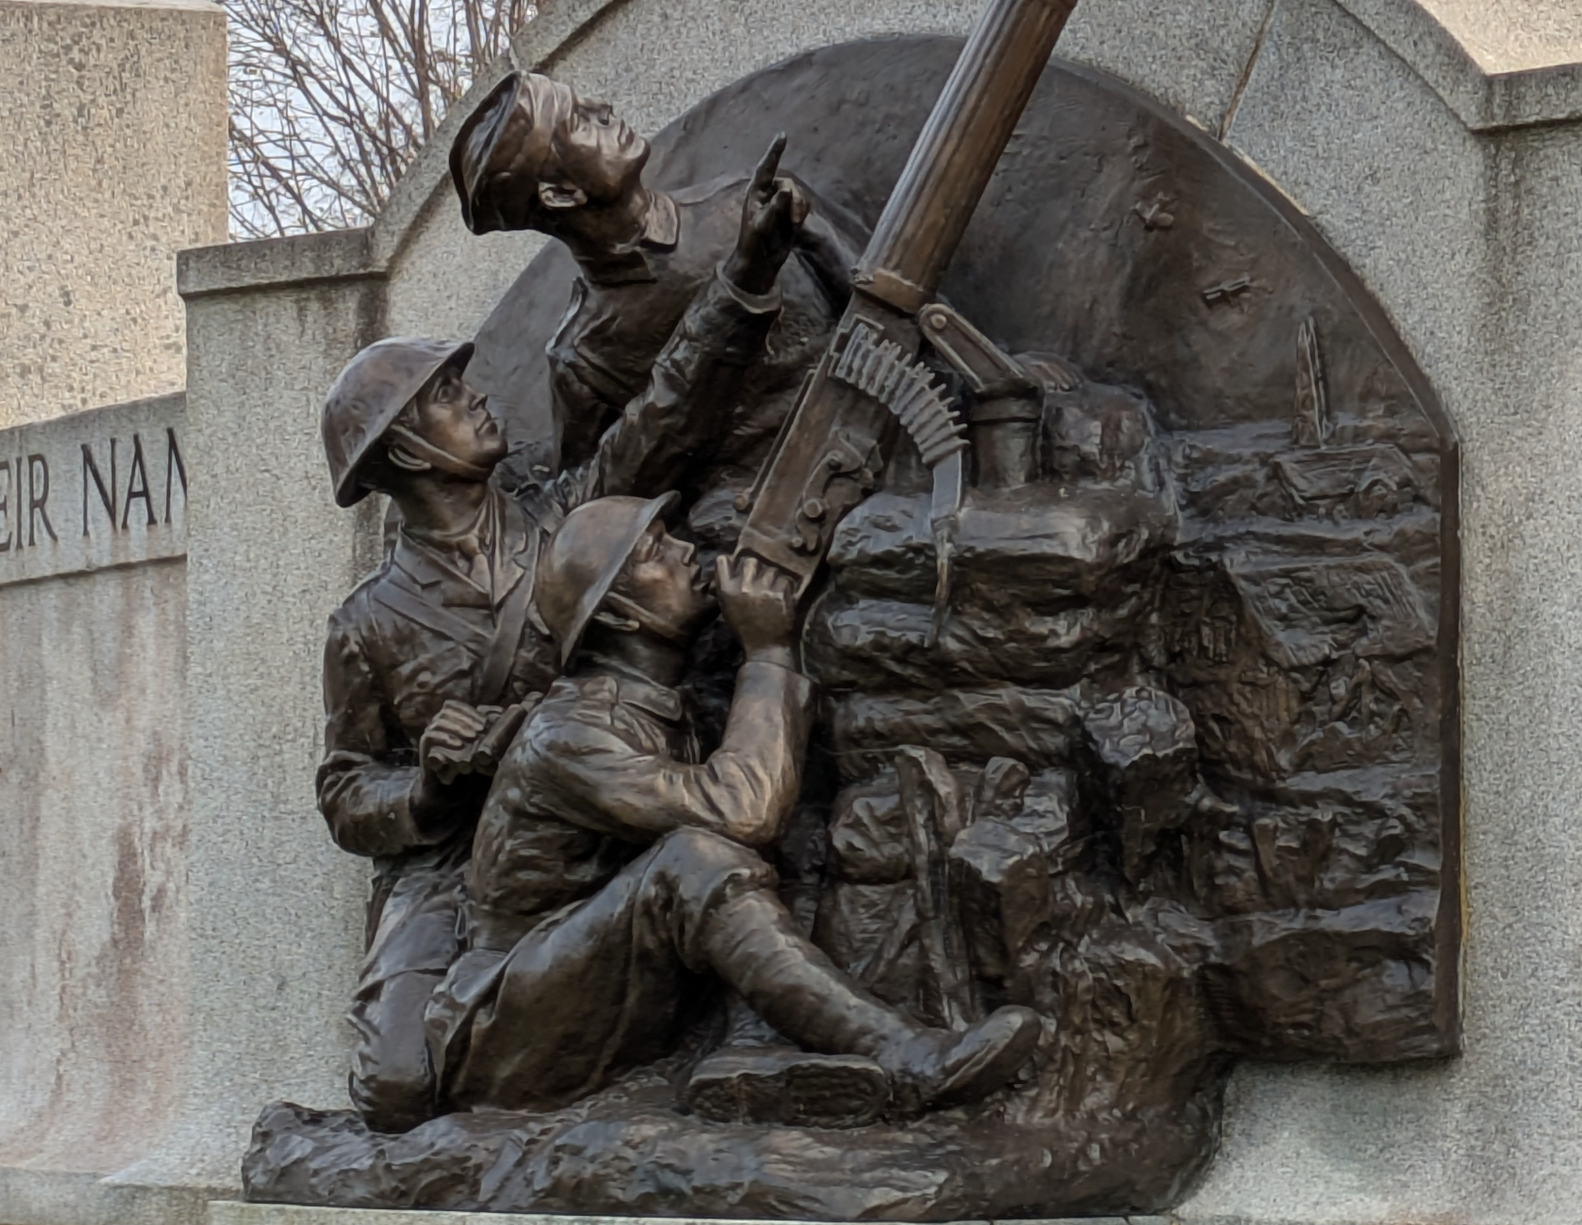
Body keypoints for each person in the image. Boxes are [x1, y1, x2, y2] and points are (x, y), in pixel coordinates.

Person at [318, 139, 811, 1132]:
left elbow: (663, 415)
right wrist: (423, 786)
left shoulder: (562, 517)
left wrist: (748, 273)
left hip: (585, 827)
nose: (477, 396)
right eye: (449, 399)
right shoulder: (368, 626)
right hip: (449, 874)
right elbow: (342, 788)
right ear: (407, 448)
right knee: (400, 1088)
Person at [425, 495, 1042, 1123]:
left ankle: (754, 1050)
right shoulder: (568, 735)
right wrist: (768, 651)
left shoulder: (663, 708)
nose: (686, 551)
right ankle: (906, 1055)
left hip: (595, 992)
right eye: (655, 551)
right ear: (621, 613)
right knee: (696, 858)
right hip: (508, 1029)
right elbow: (745, 810)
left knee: (783, 836)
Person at [448, 71, 859, 535]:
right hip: (785, 533)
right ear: (561, 193)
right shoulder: (582, 360)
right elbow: (605, 515)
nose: (603, 106)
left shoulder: (745, 201)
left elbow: (882, 300)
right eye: (579, 120)